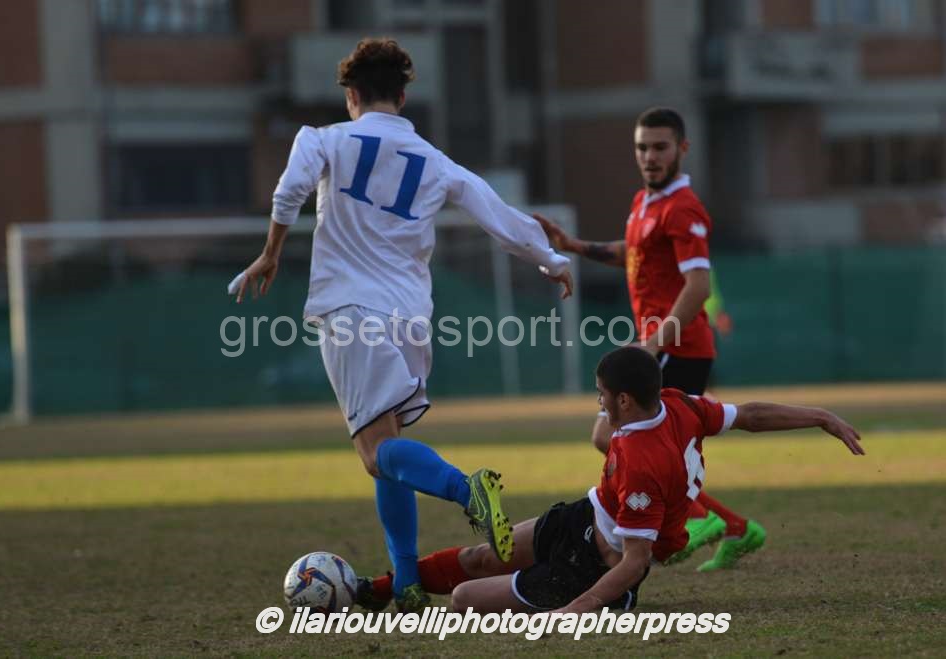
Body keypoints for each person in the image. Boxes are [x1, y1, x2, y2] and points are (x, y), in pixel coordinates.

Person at [231, 38, 573, 613]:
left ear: (351, 95)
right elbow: (495, 212)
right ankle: (408, 581)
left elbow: (290, 189)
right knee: (388, 451)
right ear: (404, 97)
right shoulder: (433, 159)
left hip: (351, 311)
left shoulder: (324, 139)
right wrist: (551, 259)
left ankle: (468, 489)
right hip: (410, 320)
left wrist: (270, 253)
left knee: (374, 453)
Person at [357, 347, 864, 613]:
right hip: (585, 515)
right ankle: (378, 588)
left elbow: (635, 560)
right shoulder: (678, 405)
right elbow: (750, 415)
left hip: (593, 568)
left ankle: (605, 605)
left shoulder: (644, 462)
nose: (598, 400)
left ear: (624, 399)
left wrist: (577, 608)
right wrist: (820, 416)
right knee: (477, 558)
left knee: (466, 599)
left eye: (601, 393)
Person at [533, 107, 763, 571]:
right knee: (626, 441)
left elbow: (698, 285)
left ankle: (702, 519)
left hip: (677, 347)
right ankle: (734, 526)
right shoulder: (645, 202)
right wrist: (576, 247)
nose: (650, 156)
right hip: (657, 346)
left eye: (660, 147)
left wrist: (655, 344)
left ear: (682, 149)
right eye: (642, 147)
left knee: (611, 436)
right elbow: (634, 252)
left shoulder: (684, 208)